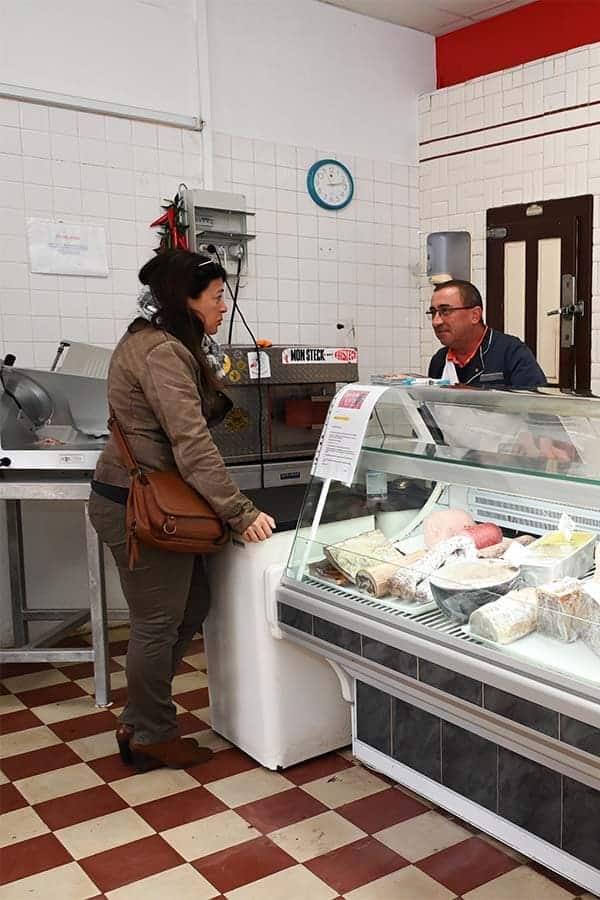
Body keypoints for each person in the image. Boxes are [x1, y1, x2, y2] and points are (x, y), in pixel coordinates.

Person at [88, 249, 275, 773]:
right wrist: (239, 511)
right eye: (216, 298)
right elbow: (191, 446)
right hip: (136, 506)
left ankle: (143, 716)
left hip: (141, 496)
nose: (222, 308)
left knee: (191, 605)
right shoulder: (162, 352)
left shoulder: (162, 343)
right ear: (184, 299)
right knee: (156, 623)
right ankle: (150, 733)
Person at [427, 280, 546, 388]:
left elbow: (536, 404)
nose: (436, 321)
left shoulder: (511, 352)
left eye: (445, 311)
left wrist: (479, 395)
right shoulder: (439, 361)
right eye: (433, 313)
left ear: (475, 315)